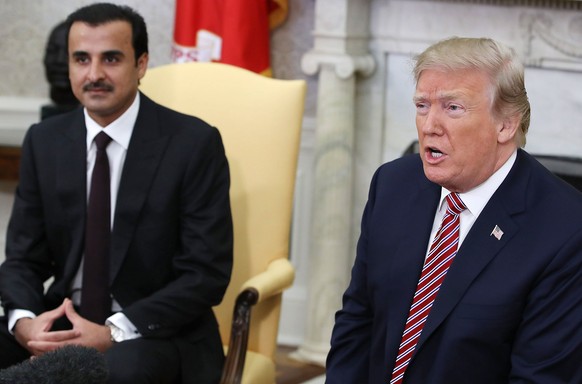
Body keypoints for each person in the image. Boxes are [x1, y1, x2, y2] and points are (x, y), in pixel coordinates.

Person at [325, 37, 582, 383]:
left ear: (506, 124)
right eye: (421, 105)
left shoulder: (565, 230)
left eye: (453, 108)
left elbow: (540, 377)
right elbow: (358, 321)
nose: (430, 125)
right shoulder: (392, 185)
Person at [0, 3, 233, 384]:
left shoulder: (193, 144)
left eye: (111, 59)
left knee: (113, 373)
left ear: (141, 65)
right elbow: (23, 259)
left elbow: (205, 274)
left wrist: (112, 332)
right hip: (64, 319)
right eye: (81, 59)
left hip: (155, 332)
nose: (94, 74)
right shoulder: (44, 141)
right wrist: (26, 322)